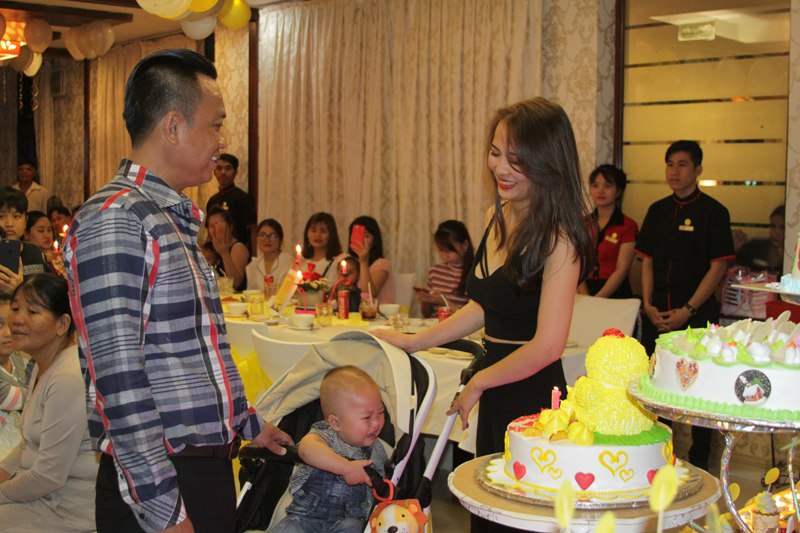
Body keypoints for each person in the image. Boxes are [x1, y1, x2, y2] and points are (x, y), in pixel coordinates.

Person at [62, 49, 293, 533]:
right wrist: (165, 511)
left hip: (198, 471)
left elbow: (193, 354)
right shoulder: (117, 219)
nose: (222, 141)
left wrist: (248, 424)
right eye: (216, 125)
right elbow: (119, 381)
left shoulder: (167, 217)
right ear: (173, 126)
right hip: (162, 483)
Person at [374, 97, 594, 533]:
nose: (500, 168)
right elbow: (485, 306)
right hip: (494, 385)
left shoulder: (561, 237)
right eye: (495, 153)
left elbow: (548, 346)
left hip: (533, 397)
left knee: (520, 516)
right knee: (487, 511)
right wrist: (416, 341)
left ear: (547, 163)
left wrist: (478, 382)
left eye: (517, 159)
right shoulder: (495, 215)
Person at [635, 139, 735, 471]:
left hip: (696, 318)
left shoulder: (714, 212)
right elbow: (647, 262)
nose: (674, 171)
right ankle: (657, 459)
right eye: (669, 164)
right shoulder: (657, 210)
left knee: (699, 392)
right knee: (658, 389)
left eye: (682, 164)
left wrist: (688, 310)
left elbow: (717, 268)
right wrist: (648, 303)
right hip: (657, 316)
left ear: (698, 169)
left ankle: (701, 464)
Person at [0, 274, 96, 532]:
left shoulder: (67, 377)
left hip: (67, 508)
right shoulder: (41, 365)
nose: (17, 319)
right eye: (16, 308)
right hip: (41, 497)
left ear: (62, 324)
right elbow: (28, 442)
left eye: (32, 312)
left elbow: (47, 476)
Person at [269, 366, 387, 533]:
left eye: (380, 413)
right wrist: (346, 468)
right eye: (367, 417)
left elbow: (383, 492)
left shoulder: (378, 451)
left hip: (348, 521)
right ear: (335, 423)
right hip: (305, 517)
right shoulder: (324, 435)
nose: (376, 423)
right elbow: (306, 450)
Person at [578, 164, 638, 298]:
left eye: (607, 186)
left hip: (615, 292)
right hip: (585, 291)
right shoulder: (583, 224)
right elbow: (577, 264)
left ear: (618, 191)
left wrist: (598, 299)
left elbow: (622, 270)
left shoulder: (628, 226)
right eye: (595, 185)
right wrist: (586, 296)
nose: (600, 191)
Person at [416, 220, 474, 318]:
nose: (444, 255)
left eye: (449, 250)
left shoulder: (474, 274)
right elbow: (427, 315)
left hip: (460, 325)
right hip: (435, 324)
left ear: (465, 245)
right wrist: (426, 302)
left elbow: (472, 318)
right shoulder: (435, 271)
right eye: (441, 250)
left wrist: (444, 301)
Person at [0, 188, 51, 295]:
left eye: (16, 216)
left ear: (26, 221)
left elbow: (47, 295)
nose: (9, 224)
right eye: (1, 216)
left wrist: (18, 290)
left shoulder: (36, 252)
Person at [206, 153, 257, 254]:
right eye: (219, 168)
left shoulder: (244, 198)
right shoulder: (212, 200)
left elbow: (253, 231)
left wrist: (255, 258)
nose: (223, 172)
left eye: (228, 168)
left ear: (235, 172)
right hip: (216, 255)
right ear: (214, 171)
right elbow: (209, 232)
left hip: (238, 253)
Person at [0, 292, 29, 460]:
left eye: (12, 324)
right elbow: (18, 399)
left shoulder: (16, 356)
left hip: (16, 445)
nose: (7, 333)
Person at [347, 216, 395, 304]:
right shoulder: (349, 262)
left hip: (379, 311)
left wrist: (363, 262)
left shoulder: (382, 264)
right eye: (357, 235)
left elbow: (369, 295)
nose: (361, 240)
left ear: (374, 240)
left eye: (366, 236)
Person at [206, 205, 249, 292]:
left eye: (219, 224)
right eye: (212, 226)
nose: (216, 229)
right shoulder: (210, 248)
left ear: (230, 227)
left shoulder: (238, 247)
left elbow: (236, 283)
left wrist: (224, 253)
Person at [245, 218, 293, 294]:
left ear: (280, 240)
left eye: (272, 236)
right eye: (262, 235)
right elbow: (249, 295)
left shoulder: (290, 263)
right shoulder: (252, 266)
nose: (267, 240)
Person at [735, 204, 785, 272]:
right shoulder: (755, 247)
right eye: (773, 226)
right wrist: (736, 249)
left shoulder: (795, 254)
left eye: (782, 228)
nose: (776, 232)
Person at [300, 212, 345, 285]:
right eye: (313, 230)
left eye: (323, 231)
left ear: (331, 235)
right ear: (307, 233)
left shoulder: (338, 261)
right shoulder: (301, 262)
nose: (317, 235)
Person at [24, 211, 65, 278]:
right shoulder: (23, 260)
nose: (47, 235)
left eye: (49, 230)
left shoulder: (59, 256)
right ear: (26, 234)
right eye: (41, 230)